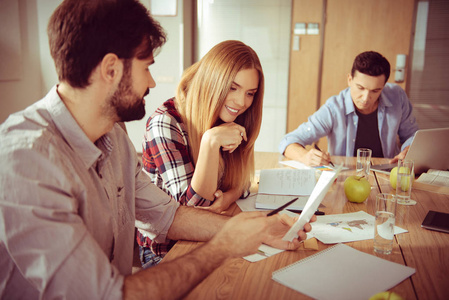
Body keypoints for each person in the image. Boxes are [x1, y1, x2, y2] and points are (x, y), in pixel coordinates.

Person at [0, 1, 313, 299]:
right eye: (147, 67)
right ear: (111, 69)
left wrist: (257, 229)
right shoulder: (26, 158)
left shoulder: (114, 135)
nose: (151, 81)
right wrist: (224, 245)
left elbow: (166, 215)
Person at [137, 40, 264, 267]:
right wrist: (210, 142)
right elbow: (190, 212)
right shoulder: (165, 123)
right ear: (212, 81)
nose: (241, 102)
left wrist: (227, 198)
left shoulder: (231, 118)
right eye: (232, 88)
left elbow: (244, 181)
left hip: (211, 234)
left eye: (250, 93)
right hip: (167, 253)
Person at [279, 51, 419, 167]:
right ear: (349, 79)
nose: (365, 98)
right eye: (360, 88)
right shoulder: (334, 108)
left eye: (375, 91)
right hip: (345, 177)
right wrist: (304, 156)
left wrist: (408, 150)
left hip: (388, 175)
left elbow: (412, 136)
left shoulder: (397, 96)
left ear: (384, 85)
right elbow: (288, 141)